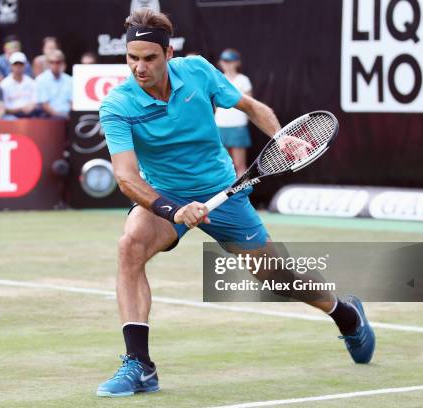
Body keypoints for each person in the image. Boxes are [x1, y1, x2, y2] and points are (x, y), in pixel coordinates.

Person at [96, 9, 375, 398]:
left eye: (149, 58)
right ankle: (140, 365)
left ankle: (344, 312)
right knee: (130, 247)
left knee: (278, 277)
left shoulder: (197, 72)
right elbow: (126, 177)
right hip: (165, 196)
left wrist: (282, 138)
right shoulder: (117, 105)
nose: (139, 68)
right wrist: (171, 210)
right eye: (132, 58)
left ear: (168, 54)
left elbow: (252, 107)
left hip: (222, 191)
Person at [215, 49, 253, 177]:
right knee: (224, 166)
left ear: (237, 62)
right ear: (221, 62)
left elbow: (251, 105)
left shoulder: (243, 80)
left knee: (239, 164)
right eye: (225, 61)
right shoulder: (217, 78)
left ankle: (243, 195)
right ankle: (226, 196)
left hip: (237, 126)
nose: (227, 64)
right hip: (220, 126)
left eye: (230, 61)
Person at [0, 51, 38, 118]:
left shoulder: (31, 82)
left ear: (25, 65)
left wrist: (32, 106)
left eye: (21, 64)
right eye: (15, 64)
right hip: (12, 116)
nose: (18, 67)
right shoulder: (4, 84)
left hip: (30, 114)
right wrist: (20, 109)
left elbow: (35, 100)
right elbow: (3, 107)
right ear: (11, 66)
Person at [36, 49, 72, 119]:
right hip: (49, 118)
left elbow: (72, 102)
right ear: (48, 63)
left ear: (62, 63)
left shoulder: (69, 80)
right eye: (52, 62)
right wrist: (60, 116)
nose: (55, 65)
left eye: (58, 62)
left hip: (68, 115)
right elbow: (44, 105)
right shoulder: (41, 79)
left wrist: (71, 115)